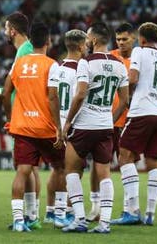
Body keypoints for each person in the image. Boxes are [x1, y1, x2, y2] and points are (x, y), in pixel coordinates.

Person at [61, 22, 129, 233]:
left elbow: (80, 94)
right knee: (104, 174)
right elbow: (125, 100)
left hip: (83, 126)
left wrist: (68, 122)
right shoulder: (119, 65)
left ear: (95, 40)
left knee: (71, 170)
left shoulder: (85, 63)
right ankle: (105, 223)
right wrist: (110, 118)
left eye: (88, 38)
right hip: (104, 127)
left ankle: (80, 219)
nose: (86, 41)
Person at [0, 12, 43, 228]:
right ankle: (32, 217)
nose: (4, 32)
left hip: (24, 115)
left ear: (13, 30)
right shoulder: (24, 50)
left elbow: (21, 86)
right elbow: (15, 86)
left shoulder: (25, 52)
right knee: (30, 167)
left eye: (6, 28)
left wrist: (9, 112)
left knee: (26, 167)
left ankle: (31, 216)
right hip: (27, 113)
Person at [113, 23, 157, 226]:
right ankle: (150, 213)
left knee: (124, 155)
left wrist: (127, 94)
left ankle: (132, 211)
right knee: (153, 161)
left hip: (141, 112)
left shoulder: (139, 52)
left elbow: (132, 78)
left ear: (141, 39)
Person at [3, 22, 64, 232]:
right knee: (62, 167)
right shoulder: (52, 64)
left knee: (22, 171)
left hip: (22, 127)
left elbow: (5, 91)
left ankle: (20, 220)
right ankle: (60, 215)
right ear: (48, 41)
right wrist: (58, 126)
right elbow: (53, 96)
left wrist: (10, 117)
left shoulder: (19, 63)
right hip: (45, 127)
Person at [87, 22, 136, 221]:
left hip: (127, 120)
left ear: (134, 39)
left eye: (125, 39)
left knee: (126, 162)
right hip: (105, 119)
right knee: (97, 163)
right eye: (119, 39)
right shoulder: (110, 57)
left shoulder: (139, 60)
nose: (121, 43)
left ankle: (129, 208)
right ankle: (96, 206)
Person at [52, 29, 88, 228]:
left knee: (60, 169)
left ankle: (58, 211)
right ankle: (66, 210)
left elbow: (51, 97)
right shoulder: (82, 70)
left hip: (57, 122)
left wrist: (56, 124)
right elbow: (81, 98)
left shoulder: (56, 68)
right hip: (75, 123)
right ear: (82, 46)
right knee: (74, 169)